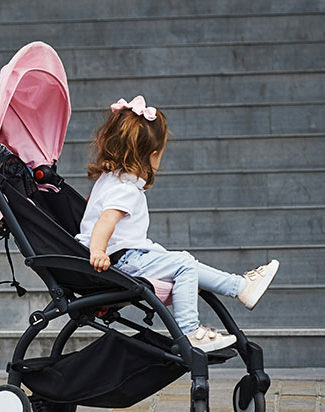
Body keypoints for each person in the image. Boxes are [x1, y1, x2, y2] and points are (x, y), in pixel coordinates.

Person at [75, 96, 280, 353]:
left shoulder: (110, 179)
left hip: (127, 255)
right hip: (121, 260)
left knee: (186, 264)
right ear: (152, 155)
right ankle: (190, 331)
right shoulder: (125, 189)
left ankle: (240, 287)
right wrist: (98, 251)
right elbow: (105, 221)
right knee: (183, 264)